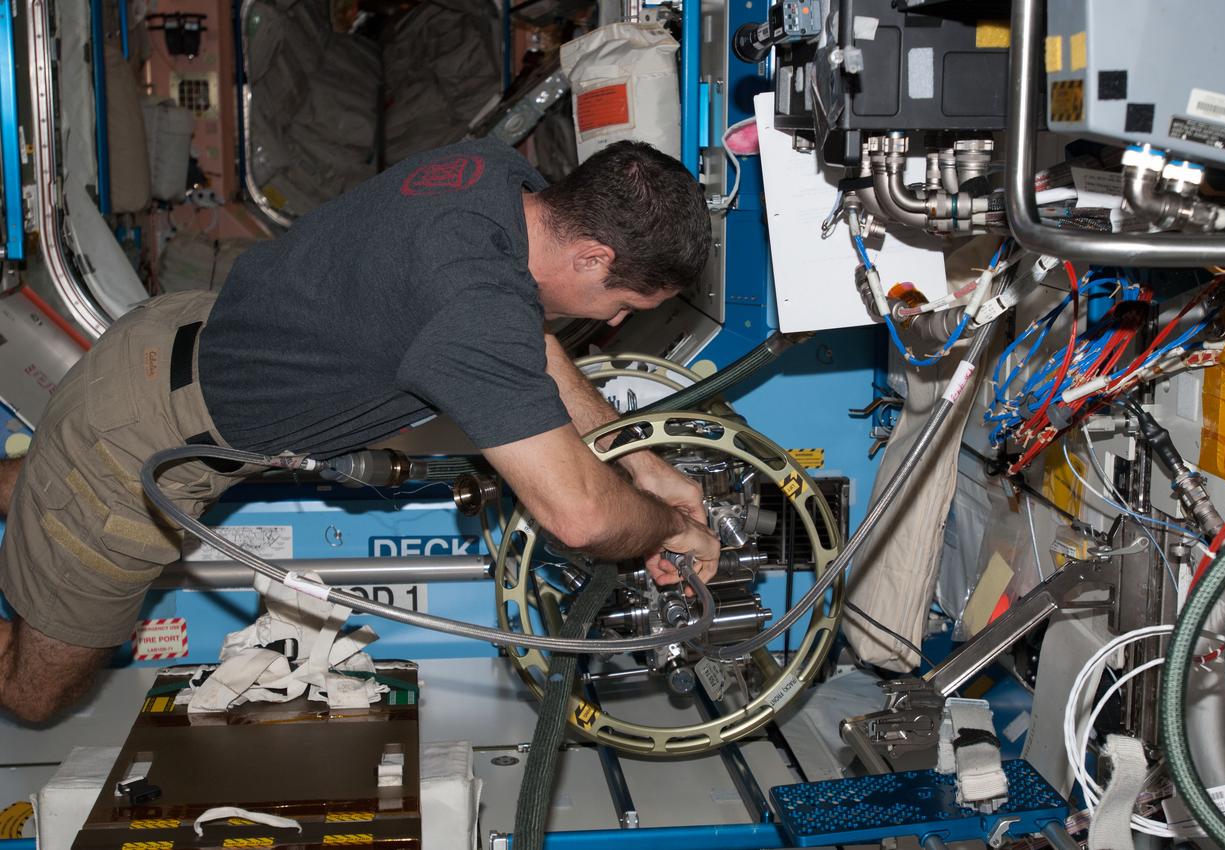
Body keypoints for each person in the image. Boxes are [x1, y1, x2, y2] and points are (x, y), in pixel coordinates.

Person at [0, 138, 721, 722]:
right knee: (36, 696)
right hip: (131, 446)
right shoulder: (472, 303)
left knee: (45, 481)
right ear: (592, 255)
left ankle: (38, 490)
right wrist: (668, 530)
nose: (617, 322)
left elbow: (526, 344)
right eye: (624, 301)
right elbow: (582, 516)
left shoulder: (498, 179)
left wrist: (642, 461)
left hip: (160, 344)